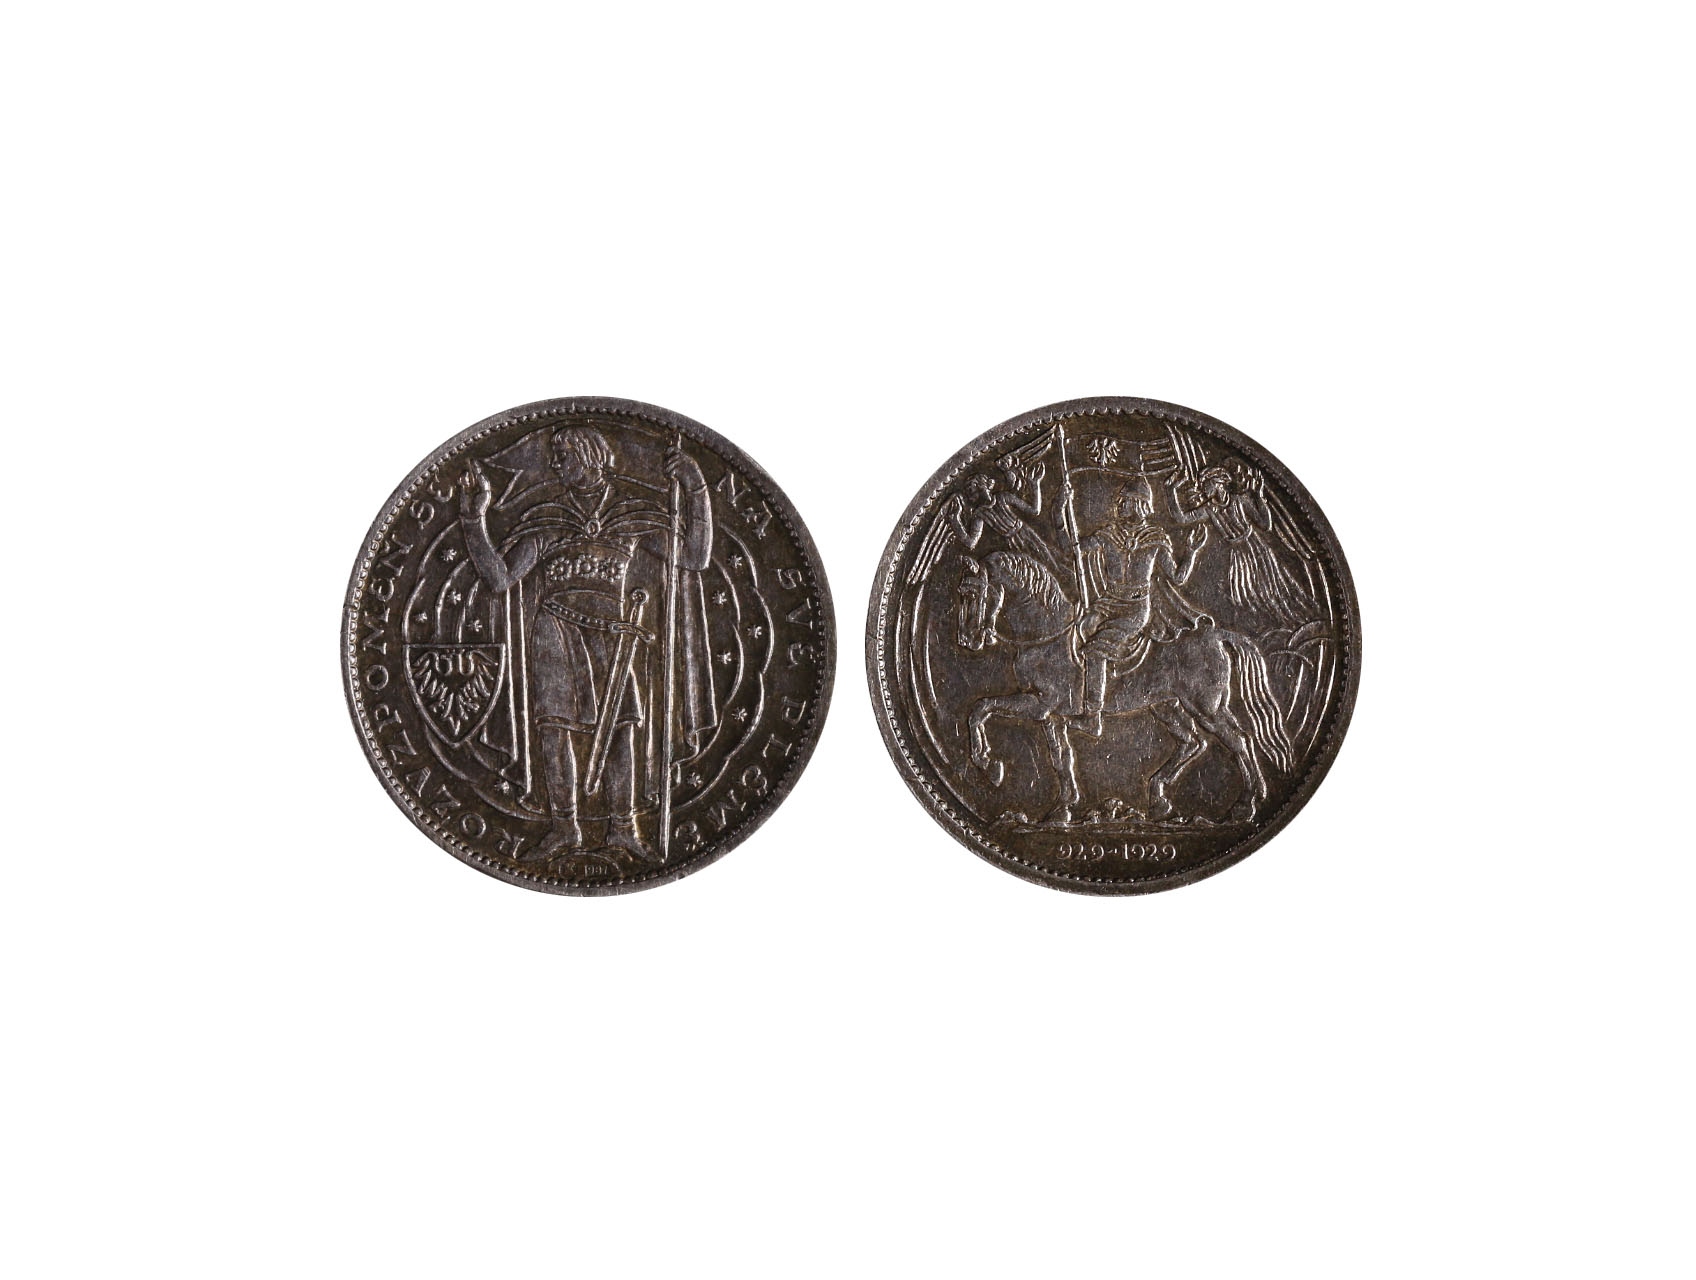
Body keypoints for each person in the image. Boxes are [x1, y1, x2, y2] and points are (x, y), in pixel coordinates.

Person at [458, 424, 713, 863]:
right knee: (555, 731)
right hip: (556, 630)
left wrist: (695, 486)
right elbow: (500, 579)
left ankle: (624, 829)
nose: (555, 464)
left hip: (615, 633)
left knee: (622, 727)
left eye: (564, 455)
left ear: (590, 455)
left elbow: (695, 557)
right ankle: (565, 828)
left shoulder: (631, 514)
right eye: (554, 456)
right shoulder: (548, 517)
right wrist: (472, 519)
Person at [1064, 477, 1210, 738]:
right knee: (1079, 630)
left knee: (1095, 650)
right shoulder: (1108, 534)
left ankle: (1092, 718)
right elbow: (1073, 550)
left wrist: (1191, 551)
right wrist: (1061, 508)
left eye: (1126, 502)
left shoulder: (1155, 538)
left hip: (1135, 608)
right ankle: (1094, 682)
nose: (1120, 506)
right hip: (1108, 603)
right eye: (1121, 502)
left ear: (1140, 504)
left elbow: (1177, 578)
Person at [1168, 465, 1315, 626]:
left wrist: (1258, 496)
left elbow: (1265, 524)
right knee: (1243, 594)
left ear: (1218, 483)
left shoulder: (1239, 500)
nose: (1203, 488)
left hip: (1255, 549)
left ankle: (1288, 621)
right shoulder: (1210, 509)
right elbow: (1182, 518)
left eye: (1206, 484)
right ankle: (1266, 625)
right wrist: (1171, 491)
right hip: (1238, 554)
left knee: (1271, 589)